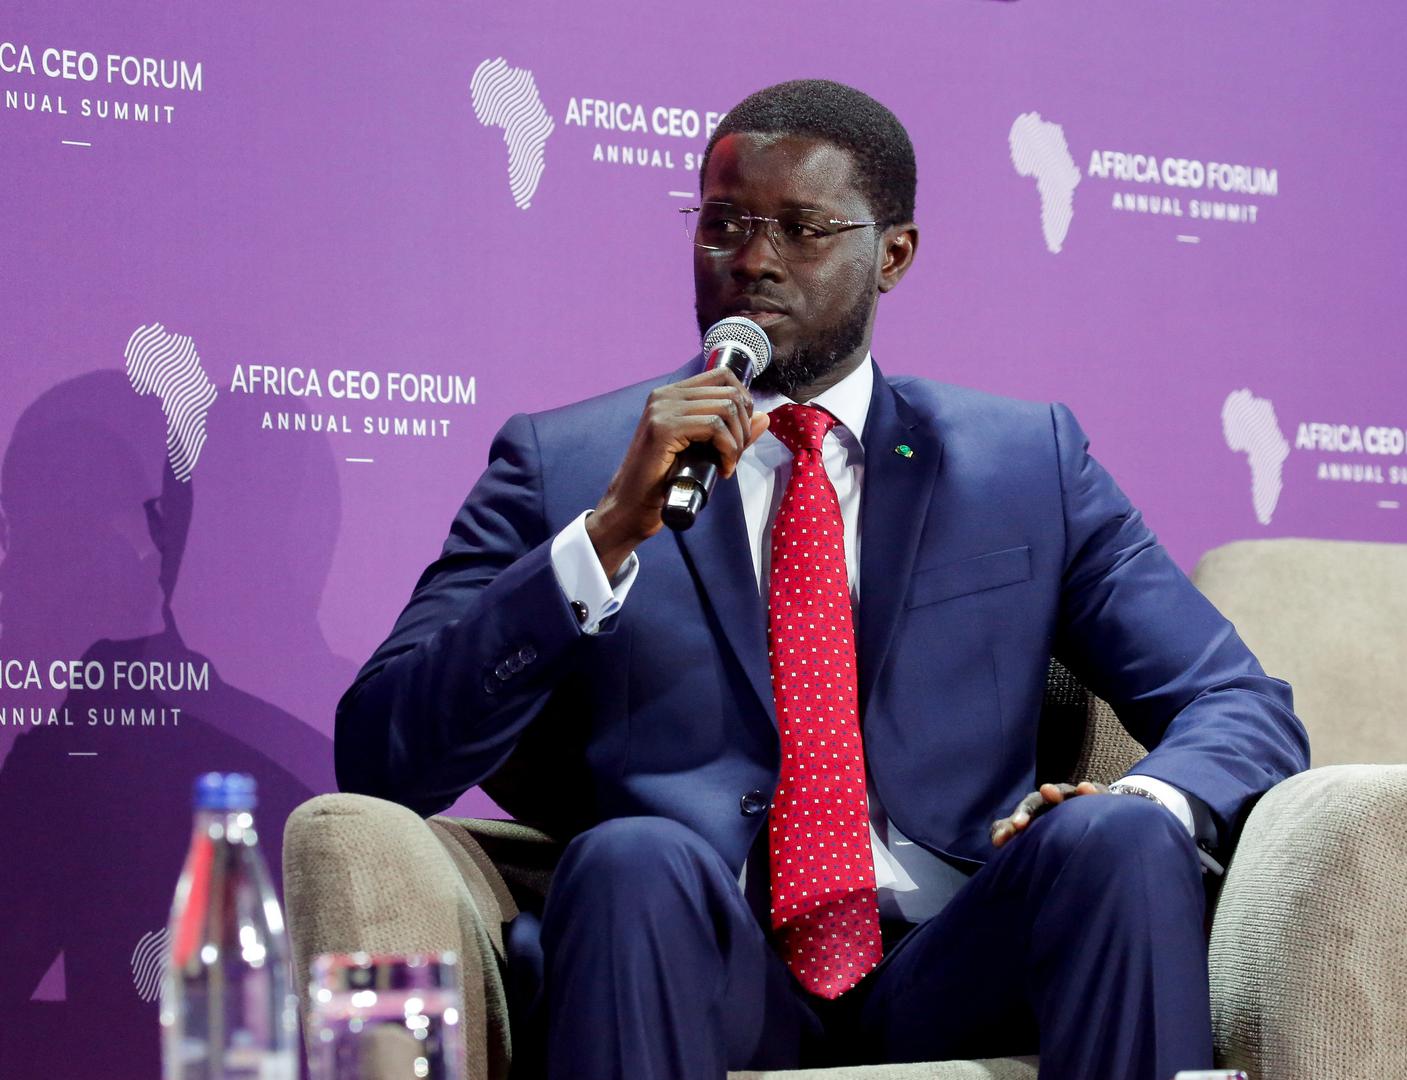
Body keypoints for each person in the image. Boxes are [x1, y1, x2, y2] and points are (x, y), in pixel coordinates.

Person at [336, 79, 1309, 1080]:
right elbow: (381, 758)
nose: (753, 260)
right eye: (724, 224)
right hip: (698, 957)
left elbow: (1235, 704)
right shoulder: (569, 466)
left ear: (892, 255)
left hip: (961, 956)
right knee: (629, 858)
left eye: (802, 230)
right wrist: (603, 538)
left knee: (1117, 838)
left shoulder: (1024, 464)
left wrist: (1150, 799)